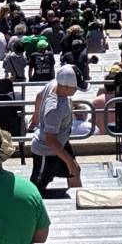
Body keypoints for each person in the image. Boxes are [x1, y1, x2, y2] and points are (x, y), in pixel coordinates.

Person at [29, 65, 81, 194]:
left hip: (60, 142)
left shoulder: (54, 83)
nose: (76, 90)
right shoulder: (55, 108)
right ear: (67, 86)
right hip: (46, 151)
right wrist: (68, 161)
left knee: (75, 171)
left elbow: (39, 96)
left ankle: (79, 199)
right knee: (36, 188)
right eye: (75, 87)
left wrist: (35, 116)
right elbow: (50, 141)